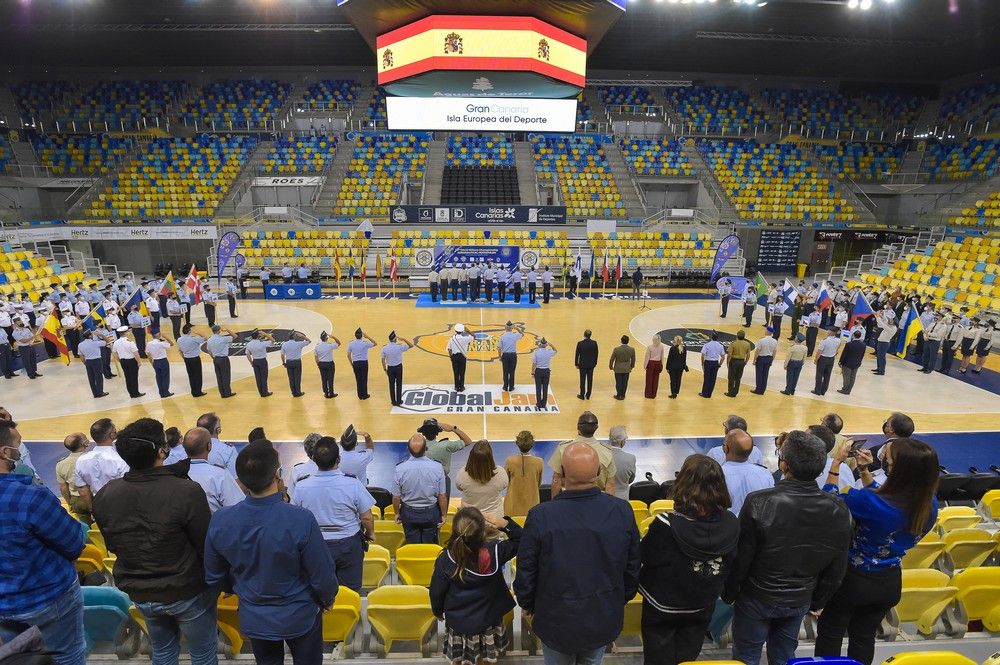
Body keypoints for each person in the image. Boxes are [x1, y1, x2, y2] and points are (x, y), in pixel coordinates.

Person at [92, 418, 218, 665]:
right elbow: (207, 545)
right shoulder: (186, 490)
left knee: (162, 650)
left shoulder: (106, 494)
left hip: (140, 591)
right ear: (162, 450)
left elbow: (113, 545)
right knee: (202, 653)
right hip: (186, 590)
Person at [723, 430, 853, 665]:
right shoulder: (838, 508)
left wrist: (730, 592)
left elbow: (741, 557)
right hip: (799, 598)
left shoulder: (759, 502)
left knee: (746, 657)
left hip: (756, 597)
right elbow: (837, 568)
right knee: (784, 656)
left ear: (784, 464)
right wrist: (817, 602)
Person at [204, 441, 338, 665]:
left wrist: (234, 587)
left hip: (255, 615)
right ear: (278, 474)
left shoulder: (221, 520)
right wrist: (327, 598)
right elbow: (322, 573)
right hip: (300, 614)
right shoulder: (301, 519)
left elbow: (213, 575)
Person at [814, 438, 940, 665]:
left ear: (897, 469)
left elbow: (829, 503)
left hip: (852, 581)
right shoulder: (929, 503)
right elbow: (886, 500)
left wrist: (836, 464)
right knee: (864, 637)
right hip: (889, 581)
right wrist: (863, 470)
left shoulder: (869, 501)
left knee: (830, 633)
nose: (882, 460)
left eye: (887, 459)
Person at [514, 443, 640, 665]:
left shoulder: (540, 515)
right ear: (599, 472)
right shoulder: (622, 511)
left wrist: (528, 604)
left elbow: (526, 570)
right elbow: (632, 566)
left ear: (561, 474)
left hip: (555, 619)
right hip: (603, 615)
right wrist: (617, 600)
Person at [639, 454, 739, 665]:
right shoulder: (731, 522)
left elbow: (646, 557)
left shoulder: (664, 523)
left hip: (663, 607)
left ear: (683, 483)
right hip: (702, 604)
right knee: (687, 659)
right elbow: (731, 564)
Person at [0, 438, 87, 665]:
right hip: (47, 598)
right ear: (4, 452)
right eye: (16, 444)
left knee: (23, 657)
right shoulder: (29, 497)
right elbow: (75, 542)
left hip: (4, 605)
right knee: (68, 656)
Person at [431, 508, 521, 665]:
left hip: (459, 622)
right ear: (482, 531)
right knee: (486, 658)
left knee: (460, 659)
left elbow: (436, 591)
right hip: (488, 618)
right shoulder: (496, 551)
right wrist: (505, 524)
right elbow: (522, 539)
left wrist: (437, 611)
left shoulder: (445, 559)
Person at [292, 436, 376, 592]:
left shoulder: (302, 485)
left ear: (314, 460)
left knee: (319, 591)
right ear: (338, 459)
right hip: (348, 545)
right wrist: (370, 533)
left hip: (316, 544)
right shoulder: (352, 483)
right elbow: (366, 516)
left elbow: (295, 518)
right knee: (350, 592)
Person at [392, 434, 448, 544]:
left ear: (408, 449)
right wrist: (444, 515)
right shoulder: (437, 467)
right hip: (431, 513)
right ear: (426, 449)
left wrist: (396, 513)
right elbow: (442, 495)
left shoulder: (400, 468)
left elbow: (396, 497)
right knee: (429, 546)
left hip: (408, 513)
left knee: (412, 545)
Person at [548, 412, 617, 497]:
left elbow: (556, 480)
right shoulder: (607, 452)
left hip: (568, 500)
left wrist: (554, 504)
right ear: (596, 428)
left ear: (578, 428)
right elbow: (610, 484)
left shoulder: (563, 448)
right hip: (596, 501)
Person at [181, 428, 244, 513]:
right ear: (209, 446)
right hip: (214, 525)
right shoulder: (221, 475)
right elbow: (238, 508)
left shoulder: (174, 474)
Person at [73, 418, 127, 512]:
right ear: (112, 434)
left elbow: (83, 490)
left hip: (98, 506)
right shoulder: (120, 461)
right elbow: (127, 489)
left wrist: (92, 510)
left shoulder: (81, 460)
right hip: (119, 506)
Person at [720, 428, 774, 515]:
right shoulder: (765, 474)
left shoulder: (716, 475)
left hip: (729, 527)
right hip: (757, 526)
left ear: (725, 449)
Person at [421, 419, 474, 499]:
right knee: (443, 506)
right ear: (437, 433)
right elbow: (468, 441)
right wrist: (453, 428)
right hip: (442, 480)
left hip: (422, 479)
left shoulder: (417, 446)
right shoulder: (446, 445)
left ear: (423, 433)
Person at [455, 440, 509, 519]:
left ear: (471, 457)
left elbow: (459, 487)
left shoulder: (462, 473)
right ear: (490, 458)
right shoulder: (501, 472)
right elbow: (504, 485)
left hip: (470, 521)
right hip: (494, 522)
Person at [503, 431, 543, 516]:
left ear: (517, 443)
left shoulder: (509, 460)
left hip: (512, 507)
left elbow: (506, 481)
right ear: (532, 444)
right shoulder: (539, 462)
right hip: (533, 508)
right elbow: (538, 483)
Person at [56, 433, 91, 522]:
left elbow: (63, 487)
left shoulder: (60, 464)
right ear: (84, 443)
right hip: (93, 497)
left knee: (85, 528)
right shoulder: (92, 460)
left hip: (77, 500)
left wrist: (70, 503)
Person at [381, 330, 413, 406]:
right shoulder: (400, 346)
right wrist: (404, 339)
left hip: (390, 368)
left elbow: (382, 360)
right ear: (395, 339)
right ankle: (399, 401)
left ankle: (393, 401)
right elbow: (411, 345)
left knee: (391, 385)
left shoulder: (385, 348)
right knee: (399, 384)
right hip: (398, 368)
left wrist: (385, 369)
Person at [203, 325, 237, 398]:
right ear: (219, 331)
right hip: (223, 359)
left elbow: (208, 350)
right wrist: (227, 329)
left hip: (216, 359)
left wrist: (213, 357)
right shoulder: (223, 339)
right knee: (226, 376)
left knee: (219, 377)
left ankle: (222, 393)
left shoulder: (209, 340)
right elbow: (235, 336)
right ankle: (227, 393)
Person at [78, 329, 111, 398]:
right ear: (90, 336)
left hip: (88, 362)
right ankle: (100, 392)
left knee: (91, 378)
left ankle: (95, 394)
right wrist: (101, 335)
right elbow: (108, 341)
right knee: (98, 377)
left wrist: (85, 363)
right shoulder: (95, 343)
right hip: (97, 361)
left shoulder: (80, 345)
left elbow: (81, 356)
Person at [607, 425, 636, 502]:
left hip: (605, 497)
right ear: (623, 441)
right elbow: (631, 479)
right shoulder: (631, 458)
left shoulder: (602, 456)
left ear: (610, 438)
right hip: (623, 500)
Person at [176, 324, 206, 398]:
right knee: (198, 375)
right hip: (195, 358)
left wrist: (184, 358)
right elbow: (206, 337)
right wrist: (196, 332)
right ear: (189, 331)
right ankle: (198, 391)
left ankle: (193, 391)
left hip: (187, 359)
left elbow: (179, 350)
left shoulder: (179, 339)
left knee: (191, 376)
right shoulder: (194, 339)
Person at [280, 330, 312, 398]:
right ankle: (298, 392)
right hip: (297, 362)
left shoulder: (284, 344)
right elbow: (309, 341)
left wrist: (283, 363)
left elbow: (282, 355)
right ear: (294, 337)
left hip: (288, 362)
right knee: (297, 377)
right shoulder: (299, 344)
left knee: (291, 378)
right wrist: (302, 336)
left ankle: (293, 392)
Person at [348, 327, 377, 400]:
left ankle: (360, 395)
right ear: (361, 336)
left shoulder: (351, 343)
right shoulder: (365, 343)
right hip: (364, 363)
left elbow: (348, 355)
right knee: (364, 379)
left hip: (356, 363)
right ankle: (365, 395)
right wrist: (368, 337)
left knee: (358, 379)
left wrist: (352, 364)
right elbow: (375, 343)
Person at [245, 329, 276, 397]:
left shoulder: (249, 344)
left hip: (255, 361)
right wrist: (265, 334)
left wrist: (251, 362)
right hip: (262, 361)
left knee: (258, 377)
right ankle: (265, 392)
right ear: (258, 336)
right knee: (264, 377)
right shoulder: (262, 343)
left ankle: (261, 392)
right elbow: (273, 340)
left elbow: (247, 354)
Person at [813, 327, 843, 396]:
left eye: (829, 331)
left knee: (819, 375)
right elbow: (837, 349)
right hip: (831, 359)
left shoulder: (825, 341)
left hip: (823, 359)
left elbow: (819, 352)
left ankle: (817, 390)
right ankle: (823, 391)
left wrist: (816, 360)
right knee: (827, 376)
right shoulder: (838, 340)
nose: (827, 332)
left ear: (832, 332)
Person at [838, 329, 867, 395]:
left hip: (847, 363)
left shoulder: (849, 344)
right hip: (856, 363)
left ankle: (845, 389)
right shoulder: (863, 345)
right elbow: (862, 355)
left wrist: (840, 362)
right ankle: (849, 390)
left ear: (853, 336)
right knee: (853, 377)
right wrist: (859, 362)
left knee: (846, 376)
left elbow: (844, 354)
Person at [725, 330, 753, 398]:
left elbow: (729, 354)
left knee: (731, 377)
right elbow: (748, 355)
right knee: (738, 378)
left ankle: (730, 392)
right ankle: (735, 392)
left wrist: (728, 362)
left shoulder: (733, 343)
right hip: (741, 362)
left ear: (737, 336)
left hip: (734, 361)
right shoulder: (747, 344)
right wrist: (745, 362)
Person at [531, 338, 557, 410]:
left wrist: (532, 373)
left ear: (540, 344)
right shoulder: (549, 352)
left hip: (538, 371)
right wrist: (551, 344)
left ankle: (539, 404)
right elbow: (555, 351)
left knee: (538, 388)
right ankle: (544, 403)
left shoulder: (536, 352)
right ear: (546, 344)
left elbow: (534, 364)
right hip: (546, 371)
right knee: (545, 388)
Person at [498, 321, 524, 392]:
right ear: (512, 328)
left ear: (505, 328)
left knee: (505, 371)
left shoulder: (502, 336)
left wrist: (500, 357)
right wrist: (517, 328)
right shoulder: (515, 335)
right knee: (512, 371)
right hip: (513, 355)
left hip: (505, 355)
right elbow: (522, 334)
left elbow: (499, 348)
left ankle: (505, 386)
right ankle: (511, 387)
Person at [750, 328, 778, 395]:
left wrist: (754, 360)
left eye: (766, 330)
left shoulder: (762, 340)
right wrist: (772, 360)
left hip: (761, 358)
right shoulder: (775, 341)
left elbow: (757, 351)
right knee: (765, 374)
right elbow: (774, 352)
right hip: (769, 358)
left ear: (768, 331)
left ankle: (758, 389)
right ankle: (763, 390)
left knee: (759, 374)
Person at [146, 332, 174, 398]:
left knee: (158, 377)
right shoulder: (161, 344)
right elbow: (171, 344)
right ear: (159, 336)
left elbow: (148, 354)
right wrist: (166, 337)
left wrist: (152, 363)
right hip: (163, 361)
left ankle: (161, 393)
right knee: (165, 377)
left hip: (155, 361)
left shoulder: (149, 344)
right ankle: (166, 392)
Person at [699, 332, 726, 398]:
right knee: (713, 379)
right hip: (715, 363)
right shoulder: (720, 346)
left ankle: (704, 393)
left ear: (711, 337)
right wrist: (719, 364)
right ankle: (709, 394)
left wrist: (702, 363)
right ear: (717, 338)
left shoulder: (707, 345)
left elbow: (703, 355)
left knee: (706, 378)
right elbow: (723, 356)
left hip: (708, 362)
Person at [315, 331, 341, 399]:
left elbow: (316, 357)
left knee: (323, 379)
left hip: (321, 364)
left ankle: (326, 393)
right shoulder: (330, 345)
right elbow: (339, 343)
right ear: (327, 338)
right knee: (330, 379)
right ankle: (331, 393)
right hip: (329, 364)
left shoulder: (317, 346)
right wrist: (333, 337)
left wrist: (318, 364)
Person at [574, 329, 599, 400]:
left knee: (582, 380)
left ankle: (582, 395)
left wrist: (576, 363)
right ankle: (588, 395)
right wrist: (595, 363)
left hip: (582, 364)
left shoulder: (580, 343)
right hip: (591, 364)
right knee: (590, 380)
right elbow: (596, 354)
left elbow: (577, 355)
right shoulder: (594, 343)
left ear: (584, 335)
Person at [609, 334, 636, 400]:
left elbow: (612, 359)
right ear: (628, 341)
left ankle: (618, 395)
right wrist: (632, 366)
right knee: (625, 383)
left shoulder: (616, 349)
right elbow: (633, 359)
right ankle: (623, 395)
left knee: (618, 382)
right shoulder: (632, 349)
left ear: (621, 341)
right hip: (627, 368)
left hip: (618, 368)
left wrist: (610, 366)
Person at [448, 323, 472, 392]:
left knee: (455, 372)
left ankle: (456, 386)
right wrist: (468, 330)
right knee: (462, 372)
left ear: (455, 330)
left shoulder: (452, 339)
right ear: (462, 331)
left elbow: (449, 349)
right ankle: (461, 387)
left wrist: (451, 357)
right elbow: (474, 336)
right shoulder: (466, 338)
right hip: (462, 356)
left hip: (454, 357)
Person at [873, 310, 897, 375]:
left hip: (884, 344)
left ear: (894, 322)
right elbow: (885, 319)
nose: (889, 320)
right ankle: (879, 368)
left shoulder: (893, 328)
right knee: (879, 356)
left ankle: (881, 371)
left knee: (882, 357)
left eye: (891, 320)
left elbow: (882, 324)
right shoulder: (890, 325)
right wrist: (878, 315)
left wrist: (877, 316)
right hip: (881, 342)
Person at [642, 334, 666, 399]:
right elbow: (662, 356)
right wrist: (662, 364)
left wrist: (645, 365)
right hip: (658, 363)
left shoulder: (650, 347)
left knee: (649, 379)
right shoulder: (661, 346)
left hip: (651, 364)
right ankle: (653, 394)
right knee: (656, 379)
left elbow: (647, 357)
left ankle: (648, 394)